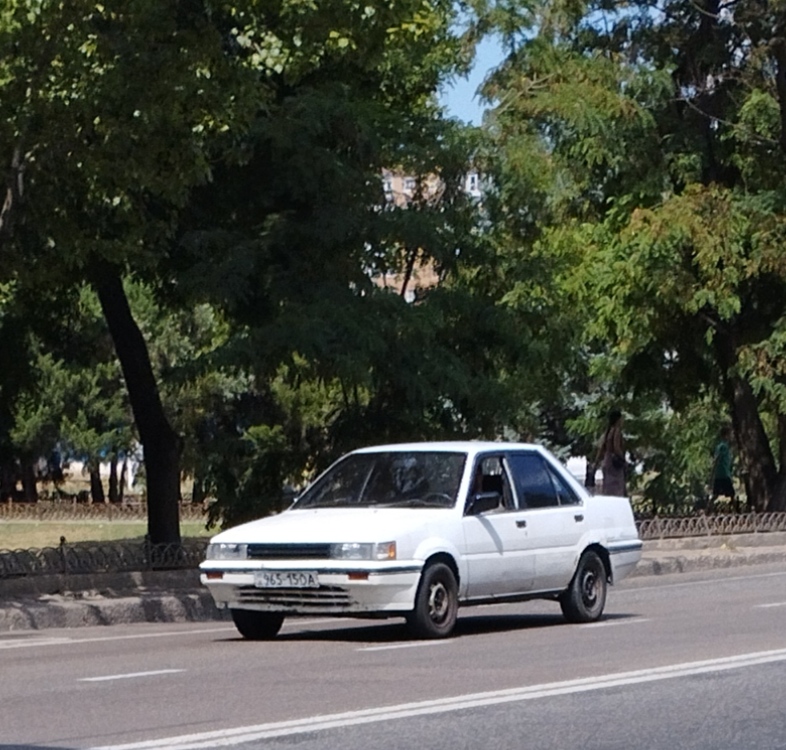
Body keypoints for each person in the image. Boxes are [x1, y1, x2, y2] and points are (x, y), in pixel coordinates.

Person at [596, 408, 626, 496]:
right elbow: (616, 447)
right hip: (614, 463)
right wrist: (623, 459)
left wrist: (596, 462)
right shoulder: (617, 431)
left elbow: (601, 448)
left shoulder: (607, 432)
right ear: (618, 419)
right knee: (617, 487)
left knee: (607, 487)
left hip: (606, 461)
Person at [709, 425, 737, 513]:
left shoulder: (724, 446)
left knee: (716, 495)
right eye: (730, 434)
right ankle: (735, 512)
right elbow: (717, 459)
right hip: (723, 474)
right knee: (731, 494)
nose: (732, 436)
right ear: (726, 435)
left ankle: (708, 510)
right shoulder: (723, 447)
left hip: (722, 474)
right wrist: (713, 472)